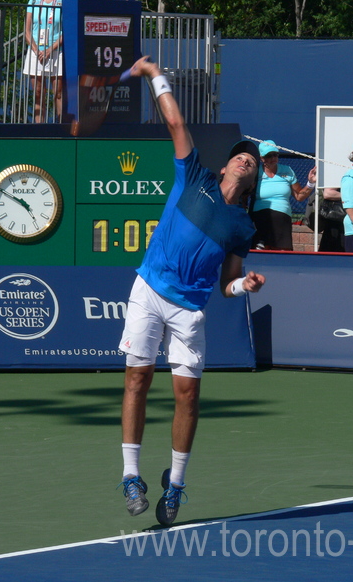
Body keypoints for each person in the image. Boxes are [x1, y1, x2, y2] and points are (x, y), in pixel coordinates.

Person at [118, 56, 266, 527]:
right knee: (137, 379)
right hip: (149, 290)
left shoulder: (243, 226)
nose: (247, 159)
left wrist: (246, 285)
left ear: (253, 182)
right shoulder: (194, 176)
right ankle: (130, 476)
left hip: (189, 313)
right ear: (226, 165)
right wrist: (151, 73)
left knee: (187, 397)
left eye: (254, 162)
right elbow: (175, 119)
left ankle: (176, 485)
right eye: (242, 155)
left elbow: (227, 285)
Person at [251, 140, 315, 250]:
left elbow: (299, 196)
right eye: (269, 156)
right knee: (261, 250)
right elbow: (245, 195)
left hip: (282, 217)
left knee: (282, 252)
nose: (273, 159)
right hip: (261, 216)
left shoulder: (287, 170)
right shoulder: (255, 172)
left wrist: (310, 183)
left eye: (275, 155)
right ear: (261, 158)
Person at [23, 0, 67, 123]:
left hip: (56, 50)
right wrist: (37, 50)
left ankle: (61, 128)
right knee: (38, 92)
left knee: (58, 93)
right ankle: (40, 129)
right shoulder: (34, 0)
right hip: (36, 51)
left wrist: (51, 48)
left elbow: (67, 30)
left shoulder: (65, 0)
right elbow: (27, 31)